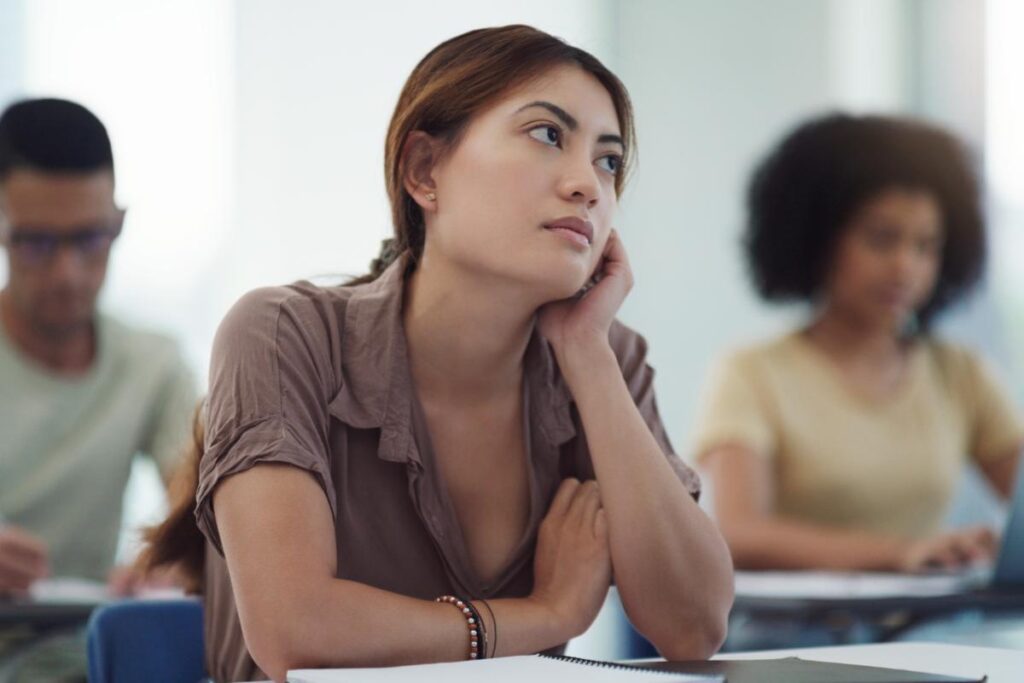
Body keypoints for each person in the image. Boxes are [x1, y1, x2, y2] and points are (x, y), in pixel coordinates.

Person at [144, 25, 734, 683]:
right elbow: (295, 631)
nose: (588, 185)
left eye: (609, 160)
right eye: (547, 135)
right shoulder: (282, 332)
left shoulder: (605, 355)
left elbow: (694, 627)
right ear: (425, 170)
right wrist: (546, 613)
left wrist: (586, 351)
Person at [693, 112, 1023, 575]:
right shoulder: (752, 371)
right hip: (784, 637)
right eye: (882, 239)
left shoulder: (961, 372)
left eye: (926, 246)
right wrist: (901, 553)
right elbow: (739, 533)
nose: (906, 267)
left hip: (928, 633)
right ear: (820, 239)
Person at [0, 98, 196, 681]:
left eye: (91, 239)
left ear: (119, 223)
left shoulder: (151, 365)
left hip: (91, 659)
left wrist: (174, 553)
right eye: (37, 243)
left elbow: (202, 500)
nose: (68, 273)